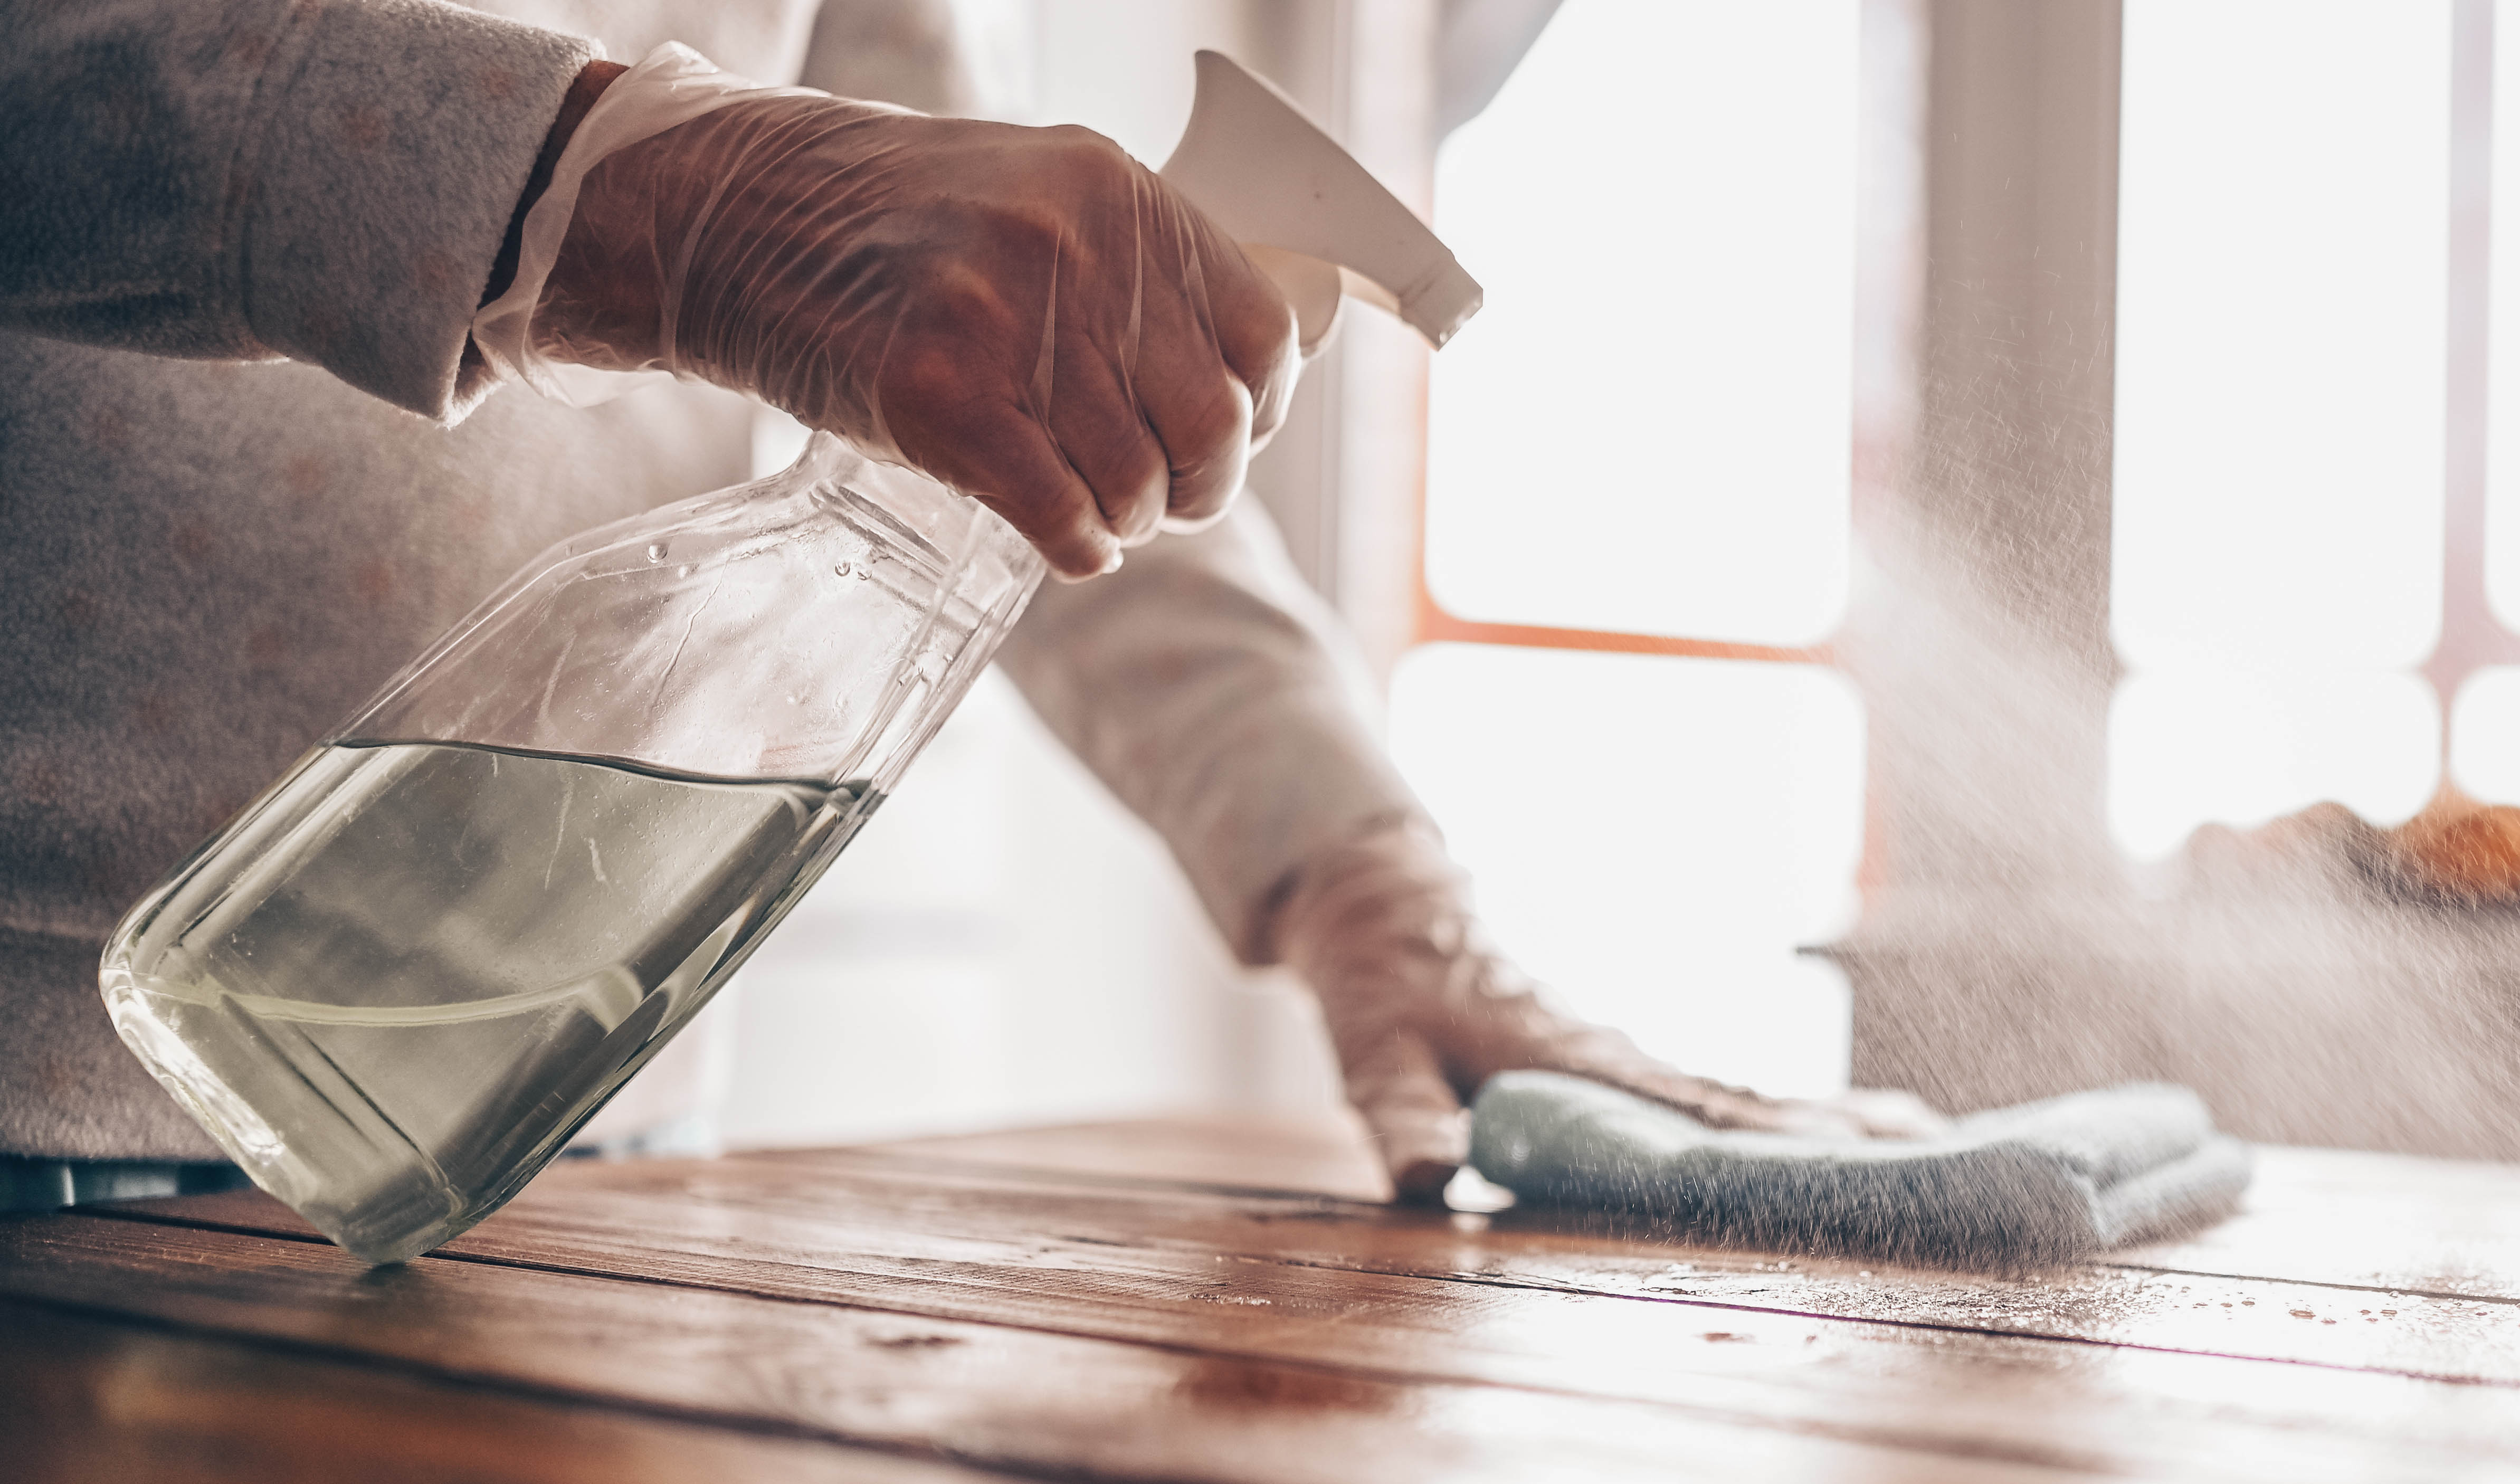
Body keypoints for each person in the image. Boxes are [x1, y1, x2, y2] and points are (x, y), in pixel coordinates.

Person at [0, 0, 1936, 1212]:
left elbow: (1030, 411)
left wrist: (1357, 863)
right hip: (39, 1079)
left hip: (565, 1131)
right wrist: (647, 207)